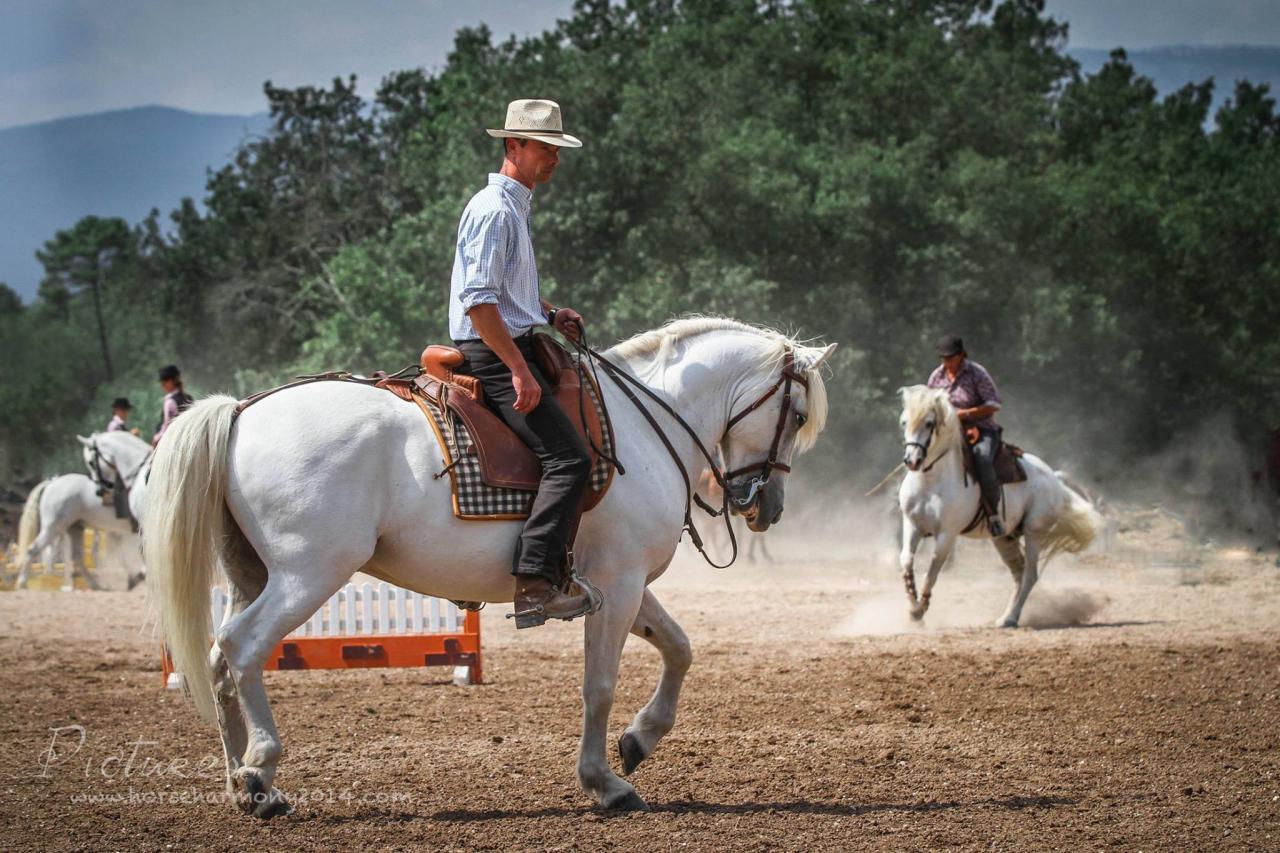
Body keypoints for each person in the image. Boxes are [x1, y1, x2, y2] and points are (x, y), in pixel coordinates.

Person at [449, 98, 594, 628]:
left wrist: (550, 312)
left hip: (510, 340)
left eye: (557, 148)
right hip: (493, 352)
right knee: (570, 459)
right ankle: (535, 581)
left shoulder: (514, 207)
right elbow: (480, 302)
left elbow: (506, 294)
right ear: (514, 146)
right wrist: (518, 367)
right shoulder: (494, 210)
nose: (554, 157)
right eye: (545, 147)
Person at [927, 334, 1007, 536]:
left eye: (951, 358)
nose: (947, 362)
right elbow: (928, 407)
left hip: (980, 429)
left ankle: (993, 514)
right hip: (947, 433)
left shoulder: (976, 373)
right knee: (921, 455)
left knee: (982, 458)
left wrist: (965, 414)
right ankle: (918, 510)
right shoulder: (936, 377)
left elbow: (994, 403)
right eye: (944, 358)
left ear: (962, 355)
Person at [152, 364, 194, 446]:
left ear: (171, 381)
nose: (162, 386)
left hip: (173, 443)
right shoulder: (189, 398)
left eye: (163, 383)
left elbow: (166, 426)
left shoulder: (170, 402)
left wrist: (156, 438)